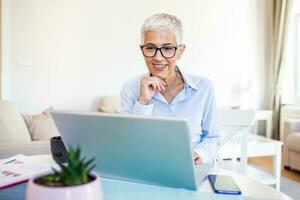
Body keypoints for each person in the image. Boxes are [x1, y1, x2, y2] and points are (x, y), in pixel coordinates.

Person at [120, 13, 219, 164]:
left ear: (180, 51)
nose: (158, 58)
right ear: (142, 50)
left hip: (194, 167)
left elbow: (213, 138)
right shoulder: (130, 88)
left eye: (167, 48)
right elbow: (128, 144)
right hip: (149, 167)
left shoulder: (204, 88)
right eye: (150, 48)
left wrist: (198, 154)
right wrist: (143, 102)